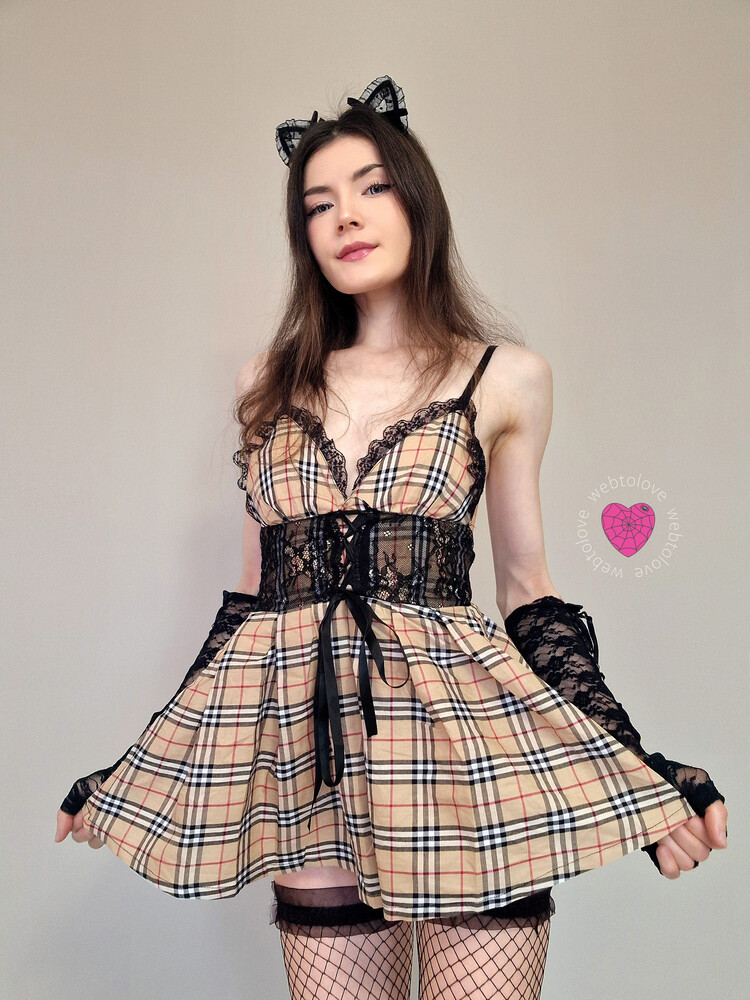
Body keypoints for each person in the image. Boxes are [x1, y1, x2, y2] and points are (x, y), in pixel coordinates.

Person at [55, 76, 728, 1000]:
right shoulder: (265, 383)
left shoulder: (508, 377)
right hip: (310, 767)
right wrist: (138, 767)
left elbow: (528, 593)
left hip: (466, 759)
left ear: (417, 202)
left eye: (371, 187)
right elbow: (252, 607)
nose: (345, 216)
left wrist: (633, 757)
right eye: (317, 203)